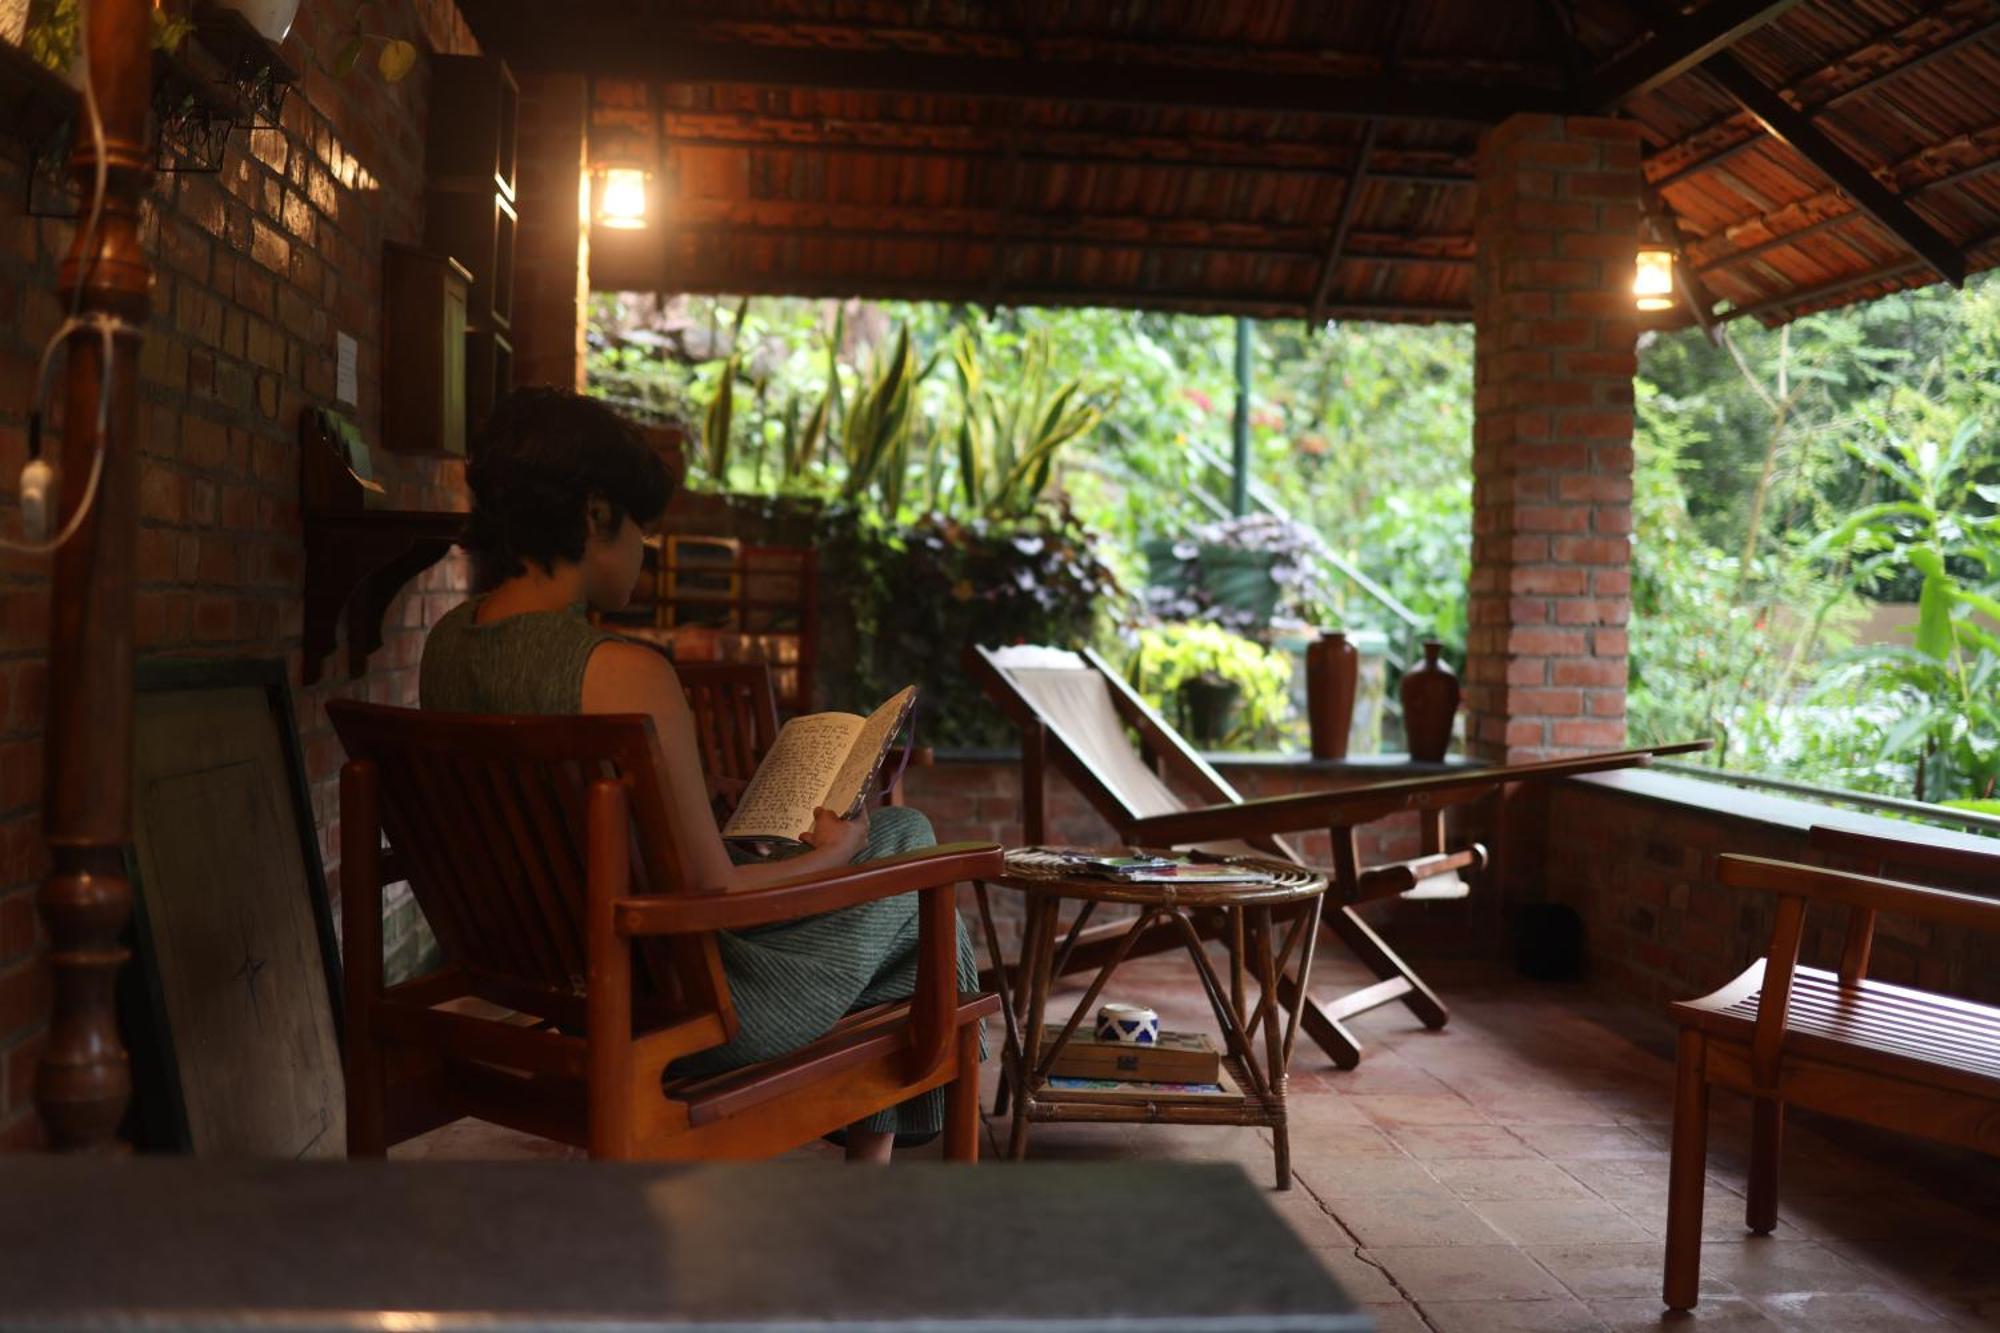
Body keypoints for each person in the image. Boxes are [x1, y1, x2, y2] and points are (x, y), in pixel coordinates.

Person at [419, 387, 978, 1163]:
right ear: (594, 514)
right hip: (685, 1006)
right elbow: (709, 893)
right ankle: (895, 1150)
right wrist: (835, 853)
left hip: (552, 977)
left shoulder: (444, 646)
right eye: (643, 527)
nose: (647, 550)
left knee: (892, 890)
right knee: (912, 848)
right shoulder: (621, 672)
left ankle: (873, 1164)